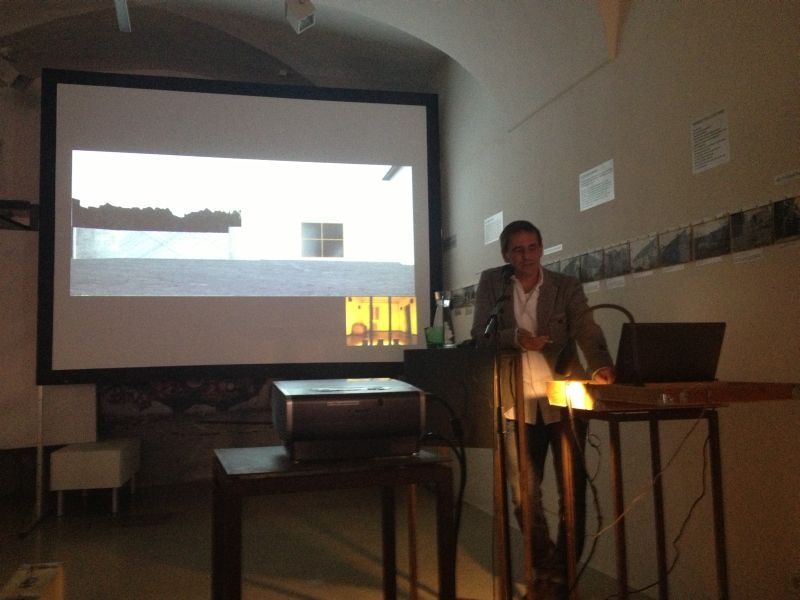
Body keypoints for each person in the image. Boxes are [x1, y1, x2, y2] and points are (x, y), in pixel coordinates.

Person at [470, 220, 615, 594]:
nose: (527, 256)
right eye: (518, 249)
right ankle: (544, 560)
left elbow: (586, 328)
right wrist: (516, 338)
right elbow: (479, 336)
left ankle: (561, 574)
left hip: (564, 399)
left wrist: (600, 366)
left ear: (541, 248)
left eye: (533, 247)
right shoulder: (493, 283)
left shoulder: (565, 286)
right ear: (506, 254)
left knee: (572, 490)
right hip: (514, 403)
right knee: (524, 494)